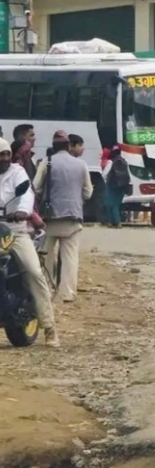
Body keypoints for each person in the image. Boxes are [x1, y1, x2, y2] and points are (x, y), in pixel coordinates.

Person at [0, 138, 58, 347]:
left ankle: (50, 327)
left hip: (14, 230)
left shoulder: (18, 173)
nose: (4, 158)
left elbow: (26, 194)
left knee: (34, 271)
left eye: (6, 154)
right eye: (1, 155)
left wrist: (23, 211)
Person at [33, 130, 92, 303]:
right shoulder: (81, 165)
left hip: (50, 217)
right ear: (68, 146)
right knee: (70, 257)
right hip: (73, 216)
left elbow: (36, 187)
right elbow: (88, 193)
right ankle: (66, 293)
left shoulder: (47, 162)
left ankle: (45, 291)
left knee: (46, 256)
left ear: (53, 146)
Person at [102, 147, 131, 228]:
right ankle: (117, 222)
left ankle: (113, 222)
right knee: (116, 205)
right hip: (121, 187)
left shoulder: (110, 162)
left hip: (111, 186)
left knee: (110, 205)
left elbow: (104, 174)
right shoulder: (124, 162)